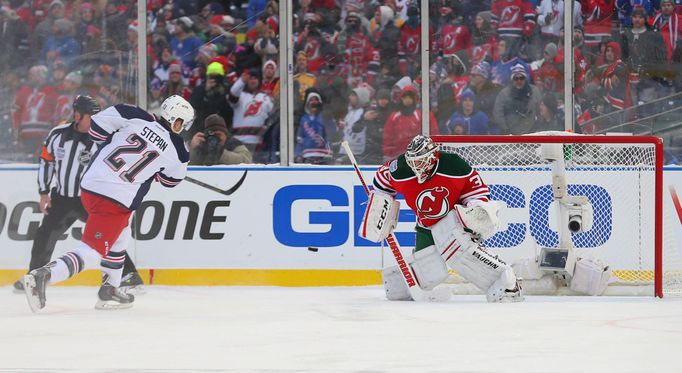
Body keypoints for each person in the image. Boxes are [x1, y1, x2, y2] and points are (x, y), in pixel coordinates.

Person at [22, 95, 195, 312]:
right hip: (115, 200)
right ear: (174, 119)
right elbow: (170, 181)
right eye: (181, 122)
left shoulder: (134, 114)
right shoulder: (179, 150)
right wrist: (154, 169)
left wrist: (116, 137)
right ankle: (43, 276)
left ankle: (110, 290)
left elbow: (96, 130)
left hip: (90, 185)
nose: (182, 128)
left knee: (121, 235)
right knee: (93, 253)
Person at [359, 135, 523, 302]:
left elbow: (476, 189)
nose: (415, 166)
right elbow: (381, 180)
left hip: (453, 222)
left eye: (420, 160)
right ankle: (399, 288)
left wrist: (474, 206)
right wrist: (381, 203)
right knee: (429, 269)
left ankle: (506, 285)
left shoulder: (454, 164)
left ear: (433, 157)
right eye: (412, 161)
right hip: (425, 225)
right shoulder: (401, 168)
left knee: (463, 254)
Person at [12, 95, 144, 293]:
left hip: (91, 199)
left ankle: (129, 276)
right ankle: (34, 278)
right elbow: (46, 161)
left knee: (111, 236)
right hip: (62, 199)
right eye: (90, 116)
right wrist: (44, 192)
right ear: (77, 115)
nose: (95, 121)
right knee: (44, 236)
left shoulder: (103, 138)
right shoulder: (57, 134)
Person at [189, 114, 253, 165]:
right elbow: (181, 163)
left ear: (226, 135)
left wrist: (221, 154)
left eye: (218, 135)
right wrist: (191, 148)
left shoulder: (233, 143)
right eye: (211, 134)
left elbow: (247, 161)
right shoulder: (201, 143)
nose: (214, 139)